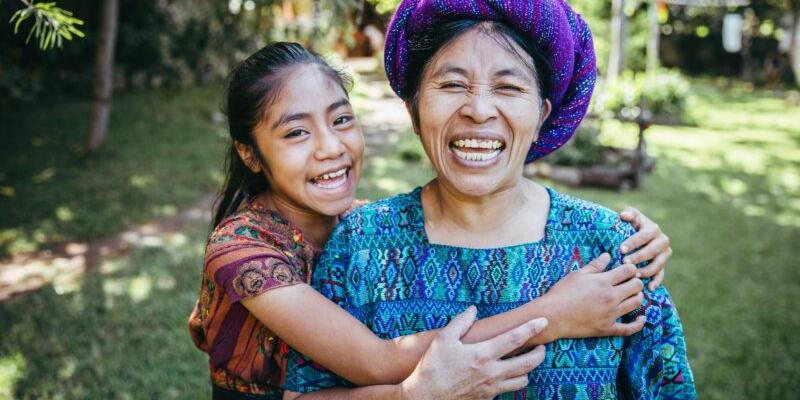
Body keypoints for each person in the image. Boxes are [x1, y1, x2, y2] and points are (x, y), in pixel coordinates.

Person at [189, 41, 674, 400]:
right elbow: (379, 361)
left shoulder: (360, 226)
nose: (330, 147)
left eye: (340, 120)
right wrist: (555, 314)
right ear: (249, 153)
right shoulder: (242, 252)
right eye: (296, 131)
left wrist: (634, 238)